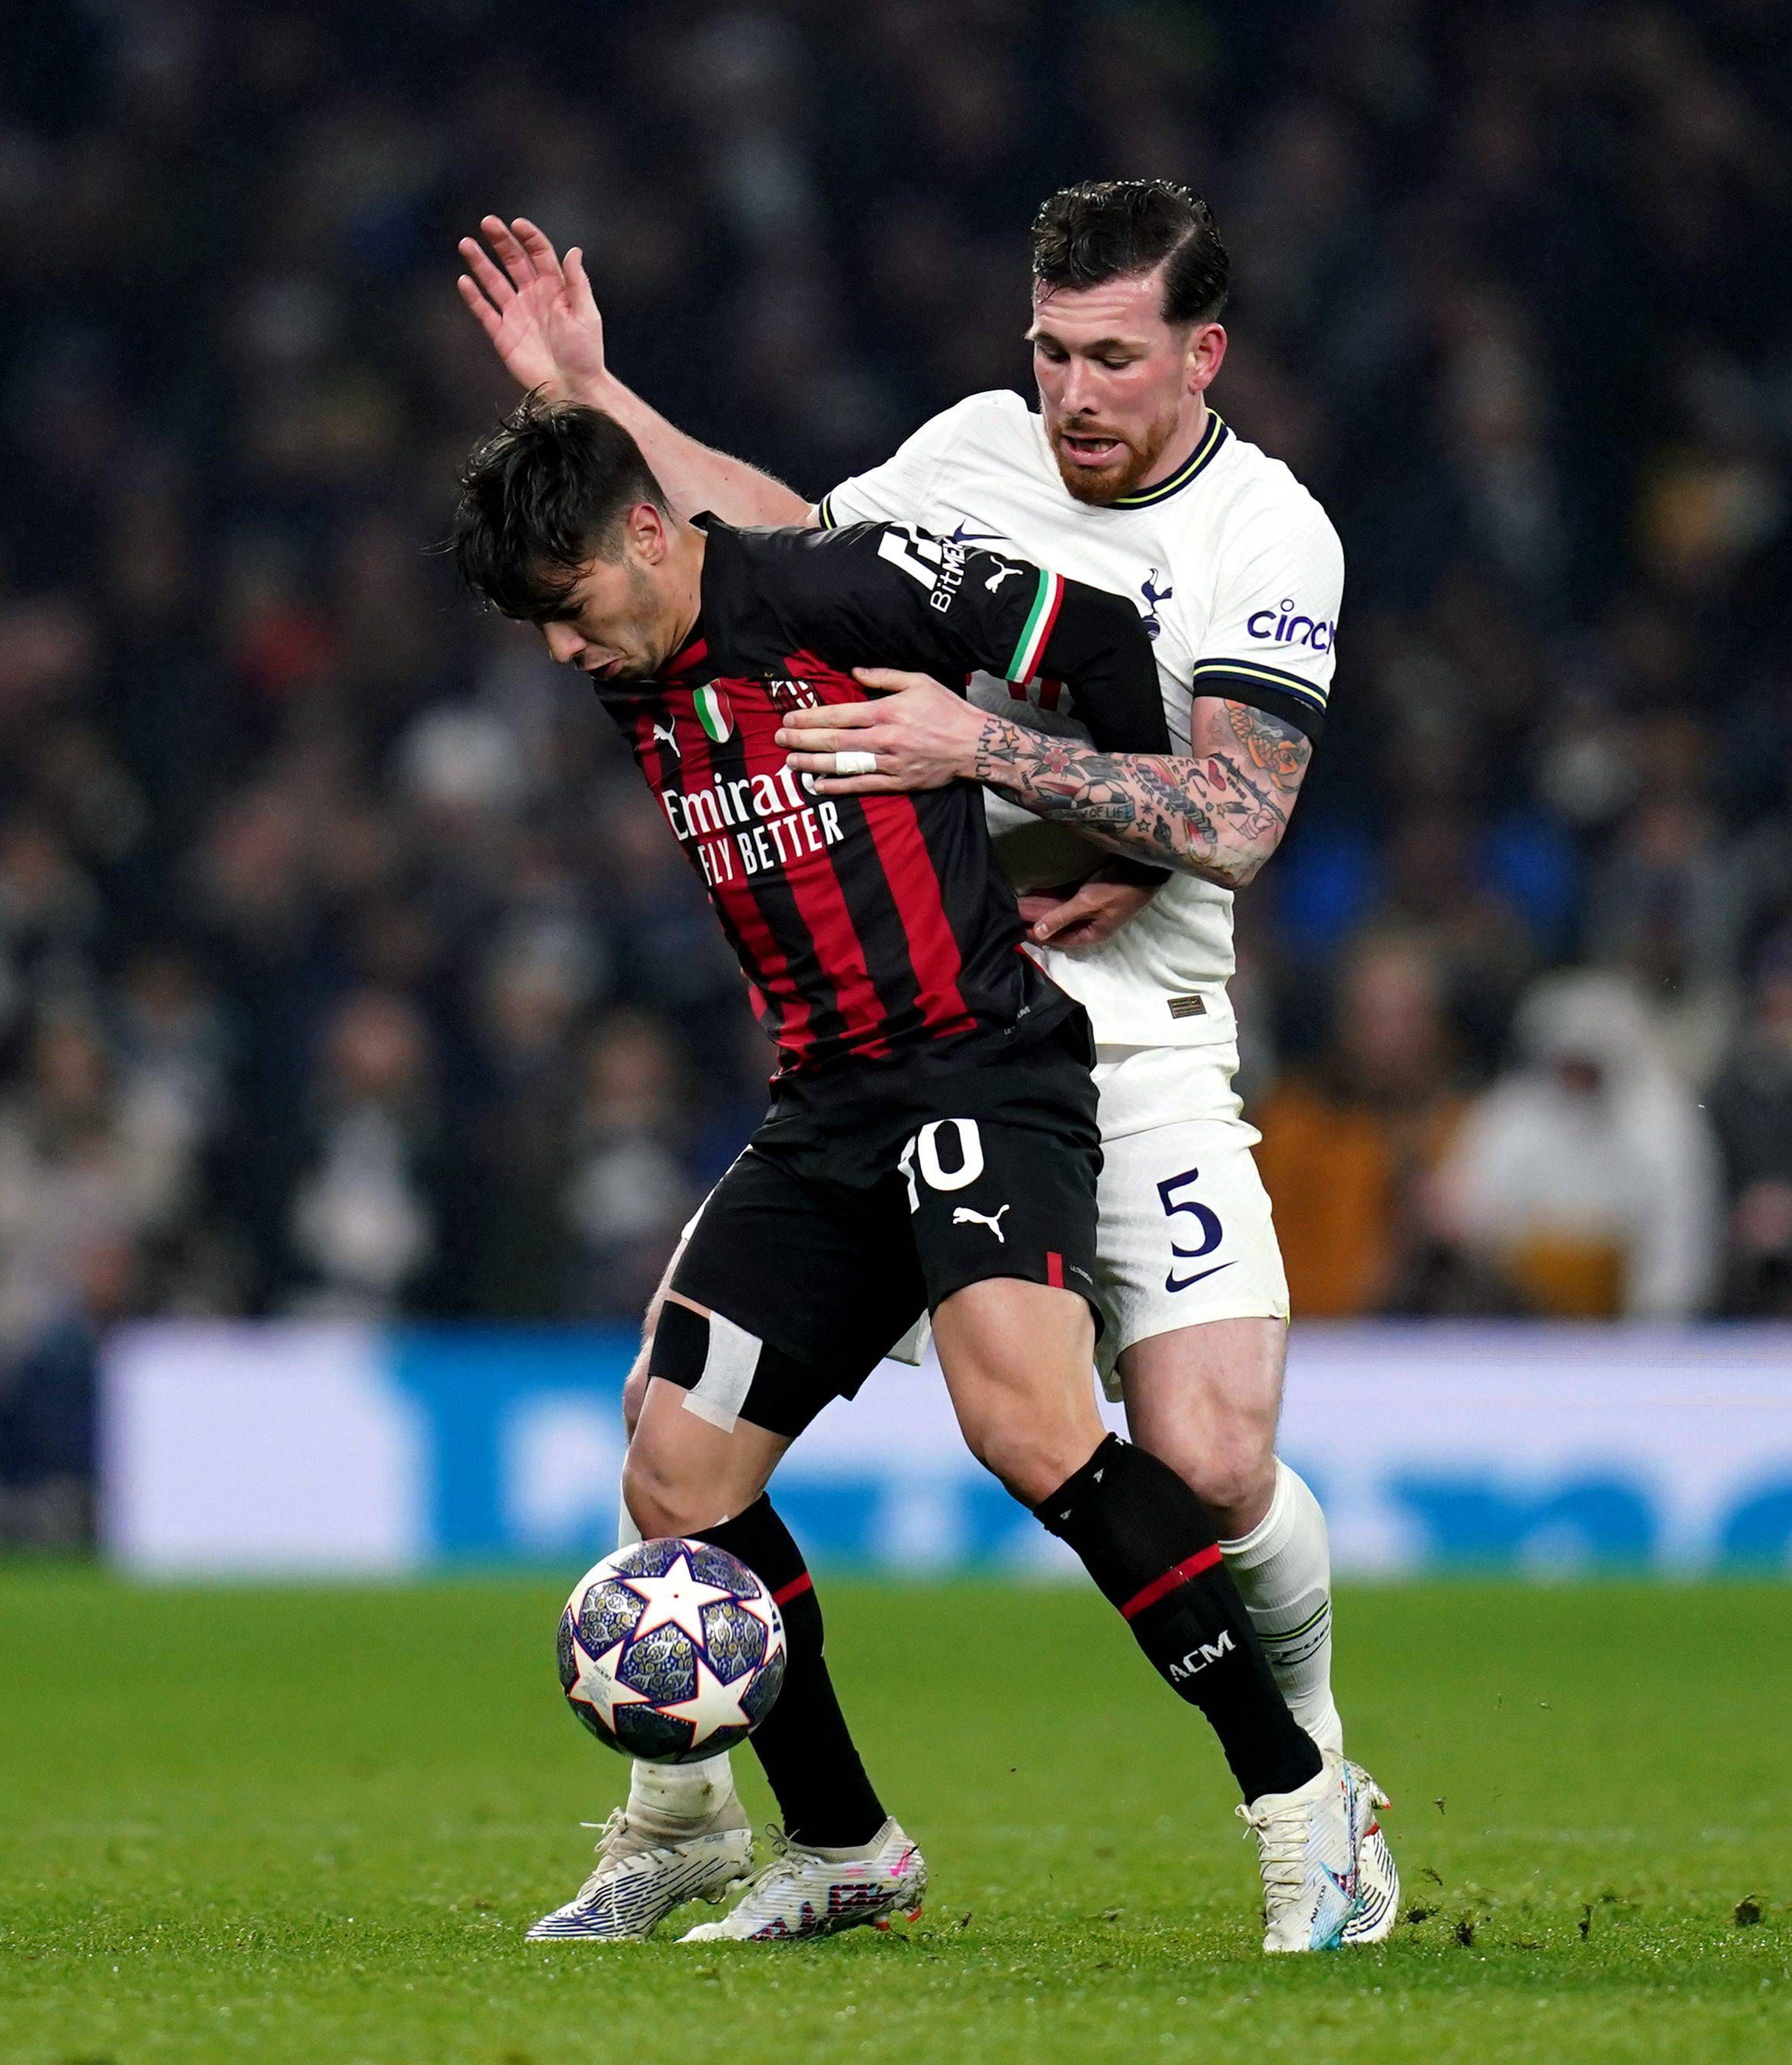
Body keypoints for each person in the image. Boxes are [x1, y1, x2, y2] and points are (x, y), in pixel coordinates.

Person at [455, 176, 1397, 1947]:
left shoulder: (1273, 536)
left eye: (1110, 355)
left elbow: (1234, 809)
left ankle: (1310, 1779)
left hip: (1109, 1035)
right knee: (674, 1466)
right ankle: (790, 1835)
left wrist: (1026, 773)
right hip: (874, 1057)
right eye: (1049, 350)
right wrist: (590, 397)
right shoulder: (950, 460)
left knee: (1178, 1453)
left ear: (1201, 354)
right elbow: (764, 542)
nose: (1069, 392)